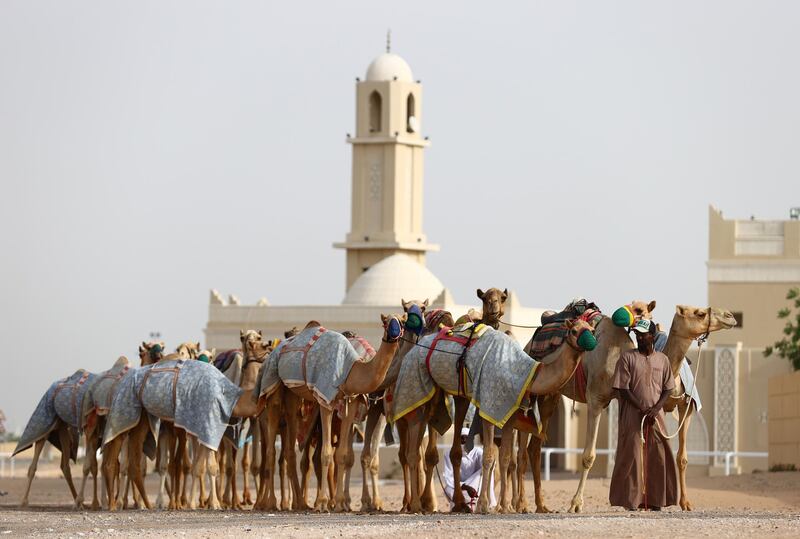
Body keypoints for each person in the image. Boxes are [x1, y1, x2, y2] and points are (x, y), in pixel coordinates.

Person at [609, 318, 678, 511]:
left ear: (652, 336)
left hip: (657, 415)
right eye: (637, 334)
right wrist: (640, 407)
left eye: (643, 334)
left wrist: (656, 409)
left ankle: (657, 500)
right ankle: (632, 501)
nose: (639, 337)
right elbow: (623, 388)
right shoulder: (627, 358)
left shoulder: (663, 360)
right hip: (633, 413)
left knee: (659, 455)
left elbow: (667, 388)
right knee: (631, 456)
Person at [443, 427, 496, 511]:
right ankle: (463, 503)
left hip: (475, 485)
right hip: (457, 487)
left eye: (466, 438)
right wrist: (465, 487)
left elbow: (490, 464)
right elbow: (448, 477)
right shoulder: (449, 453)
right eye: (462, 437)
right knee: (447, 489)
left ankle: (484, 503)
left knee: (486, 469)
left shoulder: (478, 452)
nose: (464, 440)